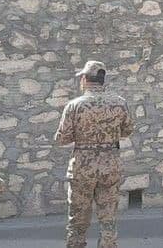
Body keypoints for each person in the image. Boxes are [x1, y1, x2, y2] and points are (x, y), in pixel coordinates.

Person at [55, 61, 133, 248]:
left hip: (82, 166)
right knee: (108, 218)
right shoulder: (120, 103)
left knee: (78, 219)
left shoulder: (75, 105)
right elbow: (127, 130)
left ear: (84, 79)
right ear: (102, 80)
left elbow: (62, 139)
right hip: (110, 164)